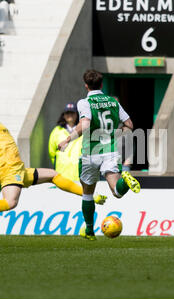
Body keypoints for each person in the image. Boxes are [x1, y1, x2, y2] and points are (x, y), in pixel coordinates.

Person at [0, 91, 107, 237]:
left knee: (53, 175)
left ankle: (89, 195)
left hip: (19, 169)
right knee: (10, 203)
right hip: (10, 168)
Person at [58, 70, 141, 241]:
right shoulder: (112, 102)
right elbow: (129, 124)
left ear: (86, 85)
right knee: (117, 192)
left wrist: (67, 139)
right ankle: (125, 180)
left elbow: (85, 124)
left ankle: (89, 230)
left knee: (87, 194)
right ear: (102, 85)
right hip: (110, 150)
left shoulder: (85, 102)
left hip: (90, 152)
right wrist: (117, 134)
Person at [48, 102, 82, 181]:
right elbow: (52, 152)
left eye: (72, 113)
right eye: (67, 113)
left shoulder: (83, 130)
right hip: (62, 173)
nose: (70, 115)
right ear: (63, 115)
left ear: (77, 114)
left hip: (79, 174)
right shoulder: (56, 131)